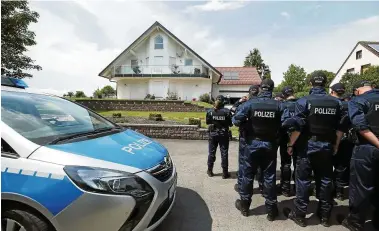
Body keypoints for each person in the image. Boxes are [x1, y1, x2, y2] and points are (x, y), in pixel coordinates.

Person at [283, 71, 345, 227]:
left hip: (307, 147)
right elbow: (340, 127)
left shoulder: (304, 101)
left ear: (310, 83)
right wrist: (336, 145)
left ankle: (300, 215)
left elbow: (298, 127)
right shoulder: (337, 103)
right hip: (327, 146)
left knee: (303, 180)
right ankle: (325, 215)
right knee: (325, 180)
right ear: (325, 84)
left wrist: (290, 144)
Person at [233, 79, 283, 221]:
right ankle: (272, 211)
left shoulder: (250, 103)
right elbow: (287, 123)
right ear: (272, 89)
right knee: (269, 176)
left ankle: (244, 207)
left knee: (248, 175)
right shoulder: (279, 105)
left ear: (261, 88)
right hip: (270, 145)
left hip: (252, 144)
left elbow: (236, 120)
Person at [340, 80, 379, 231]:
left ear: (357, 90)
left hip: (366, 149)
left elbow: (361, 126)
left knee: (361, 186)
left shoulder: (358, 101)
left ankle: (355, 221)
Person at [232, 84, 260, 193]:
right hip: (265, 139)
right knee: (261, 165)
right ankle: (262, 187)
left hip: (247, 138)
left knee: (244, 164)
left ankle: (241, 186)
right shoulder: (268, 104)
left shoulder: (244, 105)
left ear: (249, 93)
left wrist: (239, 102)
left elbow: (235, 118)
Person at [330, 83, 354, 201]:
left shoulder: (330, 103)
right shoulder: (350, 105)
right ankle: (339, 191)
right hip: (346, 139)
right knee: (341, 166)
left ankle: (328, 191)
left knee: (327, 167)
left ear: (332, 91)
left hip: (329, 138)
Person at [206, 95, 233, 179]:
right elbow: (230, 124)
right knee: (224, 153)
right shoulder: (227, 111)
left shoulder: (210, 111)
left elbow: (207, 122)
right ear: (223, 102)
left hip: (213, 134)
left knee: (211, 153)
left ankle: (210, 171)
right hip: (223, 134)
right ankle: (225, 173)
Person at [279, 86, 297, 197]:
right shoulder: (301, 104)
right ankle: (297, 187)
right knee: (298, 163)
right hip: (299, 137)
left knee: (286, 163)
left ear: (283, 95)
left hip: (284, 137)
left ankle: (285, 188)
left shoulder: (282, 105)